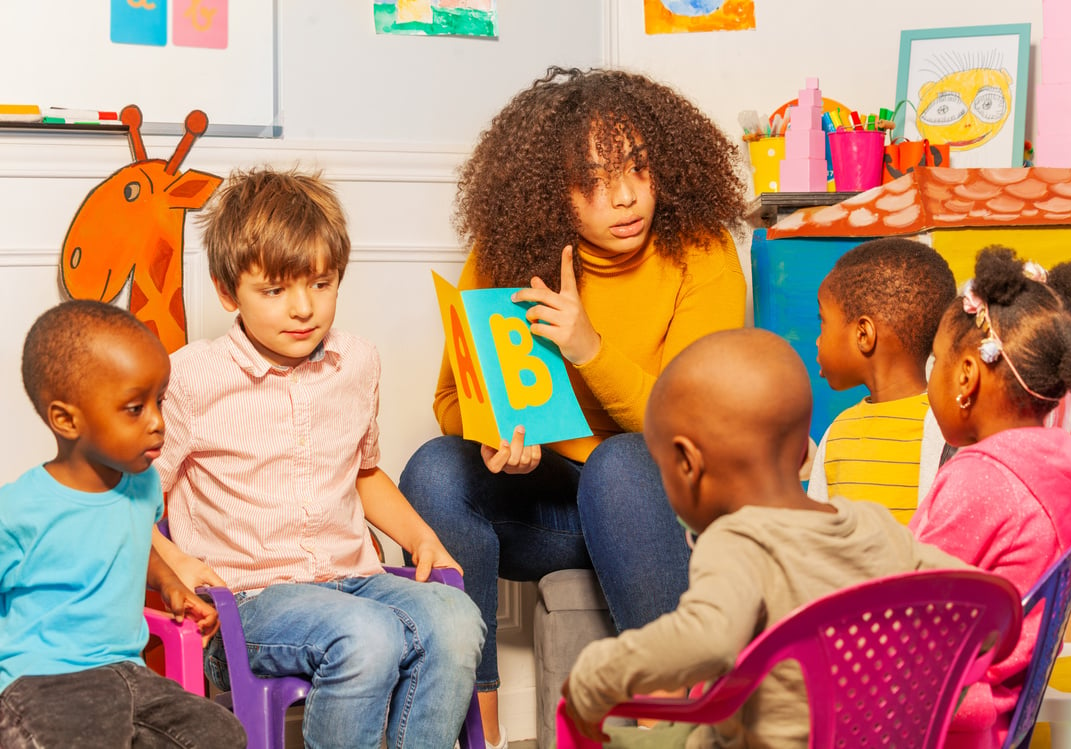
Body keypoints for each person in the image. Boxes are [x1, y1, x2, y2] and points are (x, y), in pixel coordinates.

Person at [398, 65, 752, 748]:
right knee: (434, 469)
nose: (623, 197)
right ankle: (480, 729)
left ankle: (668, 726)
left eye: (638, 168)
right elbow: (449, 400)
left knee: (621, 463)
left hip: (660, 510)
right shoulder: (505, 251)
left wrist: (587, 345)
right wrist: (497, 437)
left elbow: (692, 425)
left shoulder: (701, 251)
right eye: (592, 181)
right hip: (549, 512)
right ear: (552, 194)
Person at [151, 168, 484, 749]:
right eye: (274, 291)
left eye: (321, 284)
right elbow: (127, 495)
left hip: (354, 581)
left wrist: (422, 536)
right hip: (247, 606)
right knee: (368, 636)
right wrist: (170, 559)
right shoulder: (189, 378)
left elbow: (363, 473)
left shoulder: (357, 363)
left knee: (456, 618)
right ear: (228, 292)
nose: (303, 309)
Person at [561, 328, 967, 749]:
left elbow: (707, 640)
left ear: (687, 464)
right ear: (802, 455)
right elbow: (967, 596)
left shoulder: (736, 543)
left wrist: (599, 670)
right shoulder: (872, 524)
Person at [0, 300, 246, 749]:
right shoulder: (19, 511)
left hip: (128, 673)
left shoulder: (142, 484)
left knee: (219, 734)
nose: (157, 422)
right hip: (43, 681)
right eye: (135, 408)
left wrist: (170, 583)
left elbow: (133, 542)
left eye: (160, 401)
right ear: (66, 419)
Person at [911, 245, 1071, 749]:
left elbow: (904, 605)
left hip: (937, 717)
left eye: (935, 360)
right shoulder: (1061, 470)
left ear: (967, 376)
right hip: (994, 714)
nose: (929, 376)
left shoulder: (980, 481)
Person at [807, 237, 957, 522]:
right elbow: (817, 538)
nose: (818, 340)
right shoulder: (836, 434)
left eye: (823, 321)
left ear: (863, 334)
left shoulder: (948, 431)